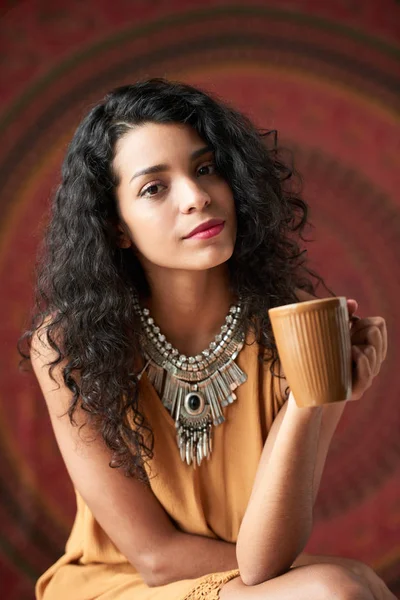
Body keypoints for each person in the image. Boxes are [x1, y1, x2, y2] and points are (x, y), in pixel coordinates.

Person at [19, 78, 391, 600]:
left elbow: (263, 562)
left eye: (205, 168)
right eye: (154, 187)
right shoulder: (68, 344)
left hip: (260, 579)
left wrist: (312, 400)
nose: (196, 198)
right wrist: (340, 573)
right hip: (121, 585)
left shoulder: (301, 328)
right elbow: (153, 558)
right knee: (340, 590)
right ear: (116, 225)